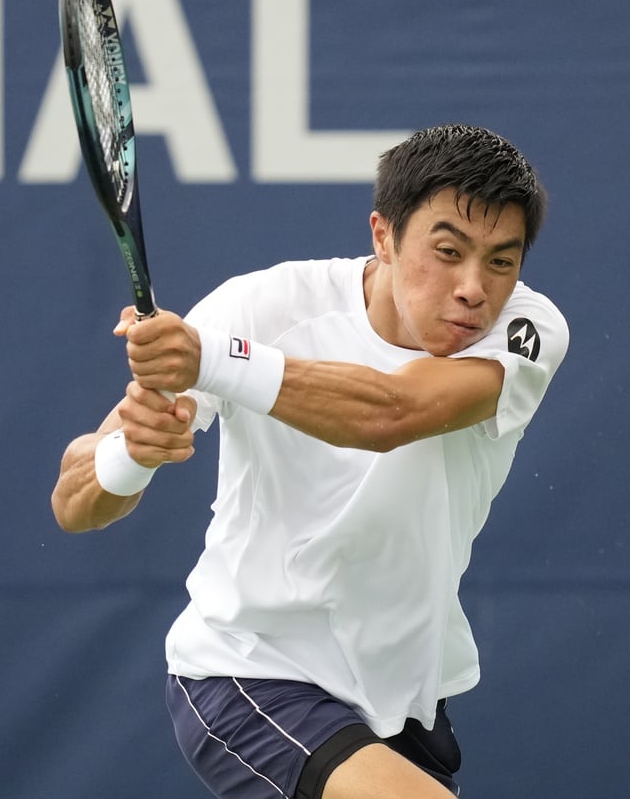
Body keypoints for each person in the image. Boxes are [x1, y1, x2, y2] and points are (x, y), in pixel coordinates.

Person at [52, 124, 569, 799]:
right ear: (383, 235)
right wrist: (131, 454)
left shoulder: (527, 330)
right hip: (249, 670)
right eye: (447, 252)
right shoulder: (260, 307)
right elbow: (75, 501)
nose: (474, 288)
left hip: (401, 694)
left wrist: (213, 360)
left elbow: (392, 414)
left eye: (502, 261)